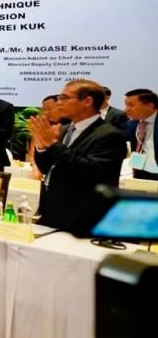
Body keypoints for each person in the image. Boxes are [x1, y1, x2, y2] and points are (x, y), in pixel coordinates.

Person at [30, 79, 128, 233]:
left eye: (64, 97)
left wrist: (54, 145)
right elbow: (47, 168)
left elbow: (92, 171)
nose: (59, 103)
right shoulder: (64, 130)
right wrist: (42, 147)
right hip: (54, 212)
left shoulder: (109, 135)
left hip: (84, 217)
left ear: (87, 101)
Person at [123, 89, 157, 181]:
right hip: (141, 173)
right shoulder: (131, 124)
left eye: (131, 105)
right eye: (126, 105)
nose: (126, 109)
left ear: (150, 106)